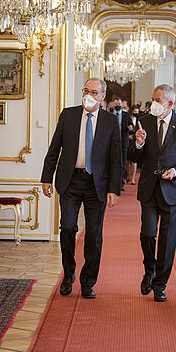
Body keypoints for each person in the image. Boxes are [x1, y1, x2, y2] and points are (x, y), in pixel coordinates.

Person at [41, 78, 122, 299]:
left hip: (96, 184)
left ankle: (88, 281)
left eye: (94, 92)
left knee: (94, 235)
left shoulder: (110, 121)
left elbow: (116, 158)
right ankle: (68, 275)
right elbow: (54, 148)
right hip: (70, 181)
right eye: (86, 90)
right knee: (67, 228)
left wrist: (114, 189)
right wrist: (46, 178)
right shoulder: (68, 115)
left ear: (102, 96)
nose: (89, 95)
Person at [127, 84, 176, 302]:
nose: (154, 103)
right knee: (147, 233)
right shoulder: (145, 122)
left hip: (171, 190)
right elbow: (134, 157)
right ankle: (150, 268)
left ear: (170, 103)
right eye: (153, 99)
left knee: (167, 239)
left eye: (158, 100)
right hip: (148, 188)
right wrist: (138, 143)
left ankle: (160, 284)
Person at [110, 96, 134, 190]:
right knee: (113, 163)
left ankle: (121, 183)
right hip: (112, 143)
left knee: (122, 163)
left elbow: (131, 126)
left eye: (119, 104)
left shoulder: (126, 115)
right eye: (116, 104)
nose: (118, 105)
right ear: (113, 104)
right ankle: (113, 183)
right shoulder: (110, 114)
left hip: (123, 142)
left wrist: (131, 128)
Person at [127, 105, 141, 184]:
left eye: (137, 112)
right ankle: (129, 175)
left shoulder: (139, 119)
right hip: (128, 140)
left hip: (135, 141)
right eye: (135, 112)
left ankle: (133, 178)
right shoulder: (128, 118)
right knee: (128, 161)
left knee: (134, 160)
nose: (136, 113)